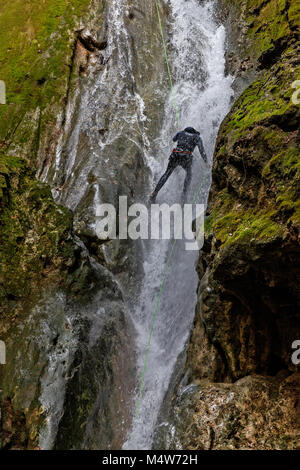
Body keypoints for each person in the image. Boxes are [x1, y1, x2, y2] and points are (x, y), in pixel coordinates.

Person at [150, 127, 208, 202]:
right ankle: (183, 196)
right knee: (189, 174)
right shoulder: (197, 137)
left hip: (175, 155)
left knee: (166, 174)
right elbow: (201, 150)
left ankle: (154, 193)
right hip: (186, 158)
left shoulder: (181, 133)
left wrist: (180, 134)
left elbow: (174, 139)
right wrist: (206, 162)